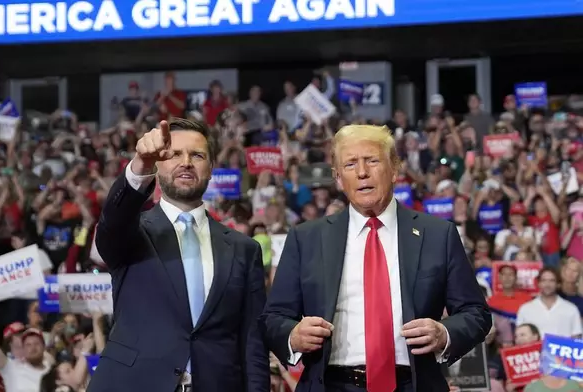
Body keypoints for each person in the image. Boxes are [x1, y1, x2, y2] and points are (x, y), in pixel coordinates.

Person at [260, 124, 491, 392]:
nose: (362, 172)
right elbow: (273, 317)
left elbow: (476, 313)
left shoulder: (438, 234)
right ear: (337, 178)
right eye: (350, 164)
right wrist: (293, 335)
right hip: (331, 385)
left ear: (394, 169)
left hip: (413, 384)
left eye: (372, 160)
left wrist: (445, 334)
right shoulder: (306, 238)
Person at [88, 118, 269, 392]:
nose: (186, 162)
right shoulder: (131, 232)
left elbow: (253, 342)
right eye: (174, 154)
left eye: (197, 155)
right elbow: (112, 223)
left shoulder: (245, 249)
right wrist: (139, 165)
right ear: (158, 164)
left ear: (210, 168)